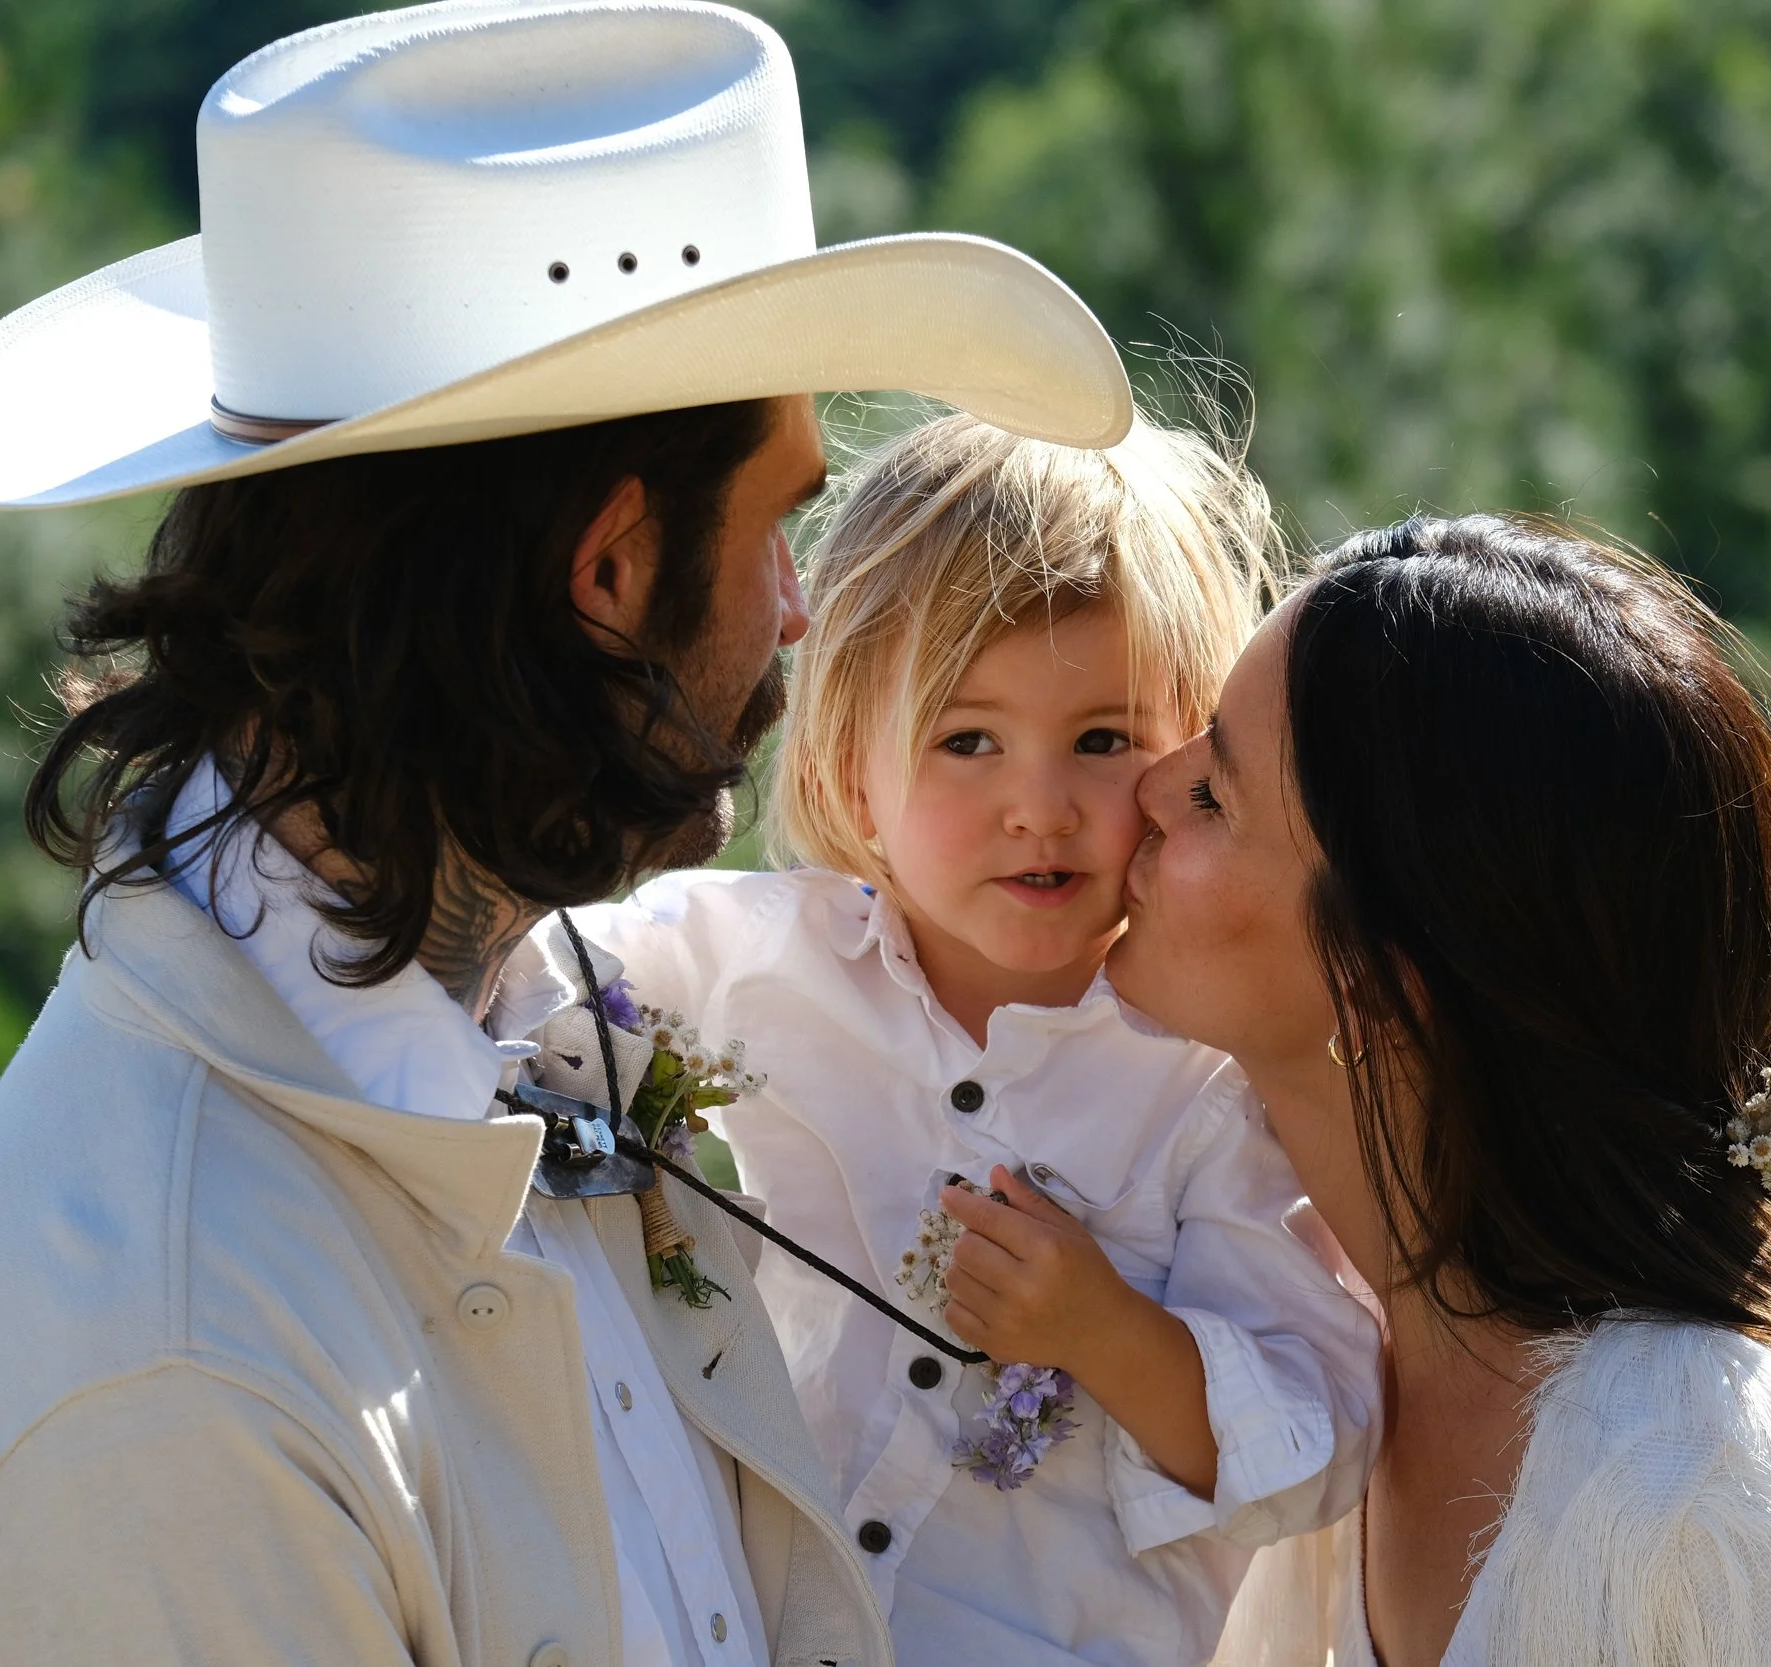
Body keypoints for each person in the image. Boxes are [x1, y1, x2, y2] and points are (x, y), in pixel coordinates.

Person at [0, 5, 1131, 1665]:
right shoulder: (173, 1379)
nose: (797, 605)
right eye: (778, 522)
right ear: (609, 572)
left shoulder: (539, 993)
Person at [1109, 514, 1771, 1667]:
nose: (1146, 786)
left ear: (1381, 990)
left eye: (1214, 791)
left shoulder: (1741, 1501)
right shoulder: (1318, 1416)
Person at [561, 412, 1382, 1667]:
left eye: (1102, 741)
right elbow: (536, 982)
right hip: (765, 1627)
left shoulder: (1202, 1081)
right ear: (850, 777)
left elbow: (1311, 1441)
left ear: (1180, 769)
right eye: (966, 741)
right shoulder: (771, 963)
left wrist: (1110, 1334)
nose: (1039, 806)